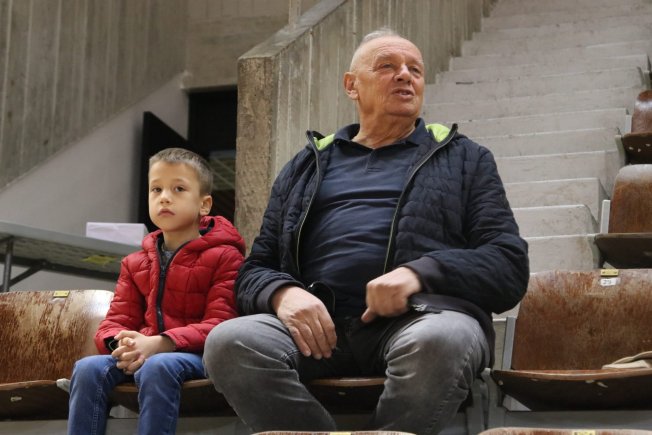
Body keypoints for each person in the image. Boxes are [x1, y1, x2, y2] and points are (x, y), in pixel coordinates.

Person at [203, 28, 529, 434]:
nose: (405, 75)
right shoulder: (305, 166)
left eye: (415, 70)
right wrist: (282, 294)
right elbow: (256, 268)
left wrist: (419, 274)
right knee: (229, 343)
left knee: (443, 341)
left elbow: (508, 265)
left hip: (420, 320)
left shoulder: (466, 158)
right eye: (387, 66)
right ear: (351, 85)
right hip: (319, 330)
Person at [68, 148, 245, 435]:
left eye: (178, 189)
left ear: (204, 205)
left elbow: (221, 325)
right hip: (145, 353)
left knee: (158, 366)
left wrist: (159, 344)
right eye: (156, 189)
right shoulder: (135, 263)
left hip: (199, 357)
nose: (164, 197)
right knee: (87, 368)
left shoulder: (226, 257)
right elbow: (114, 322)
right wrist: (123, 346)